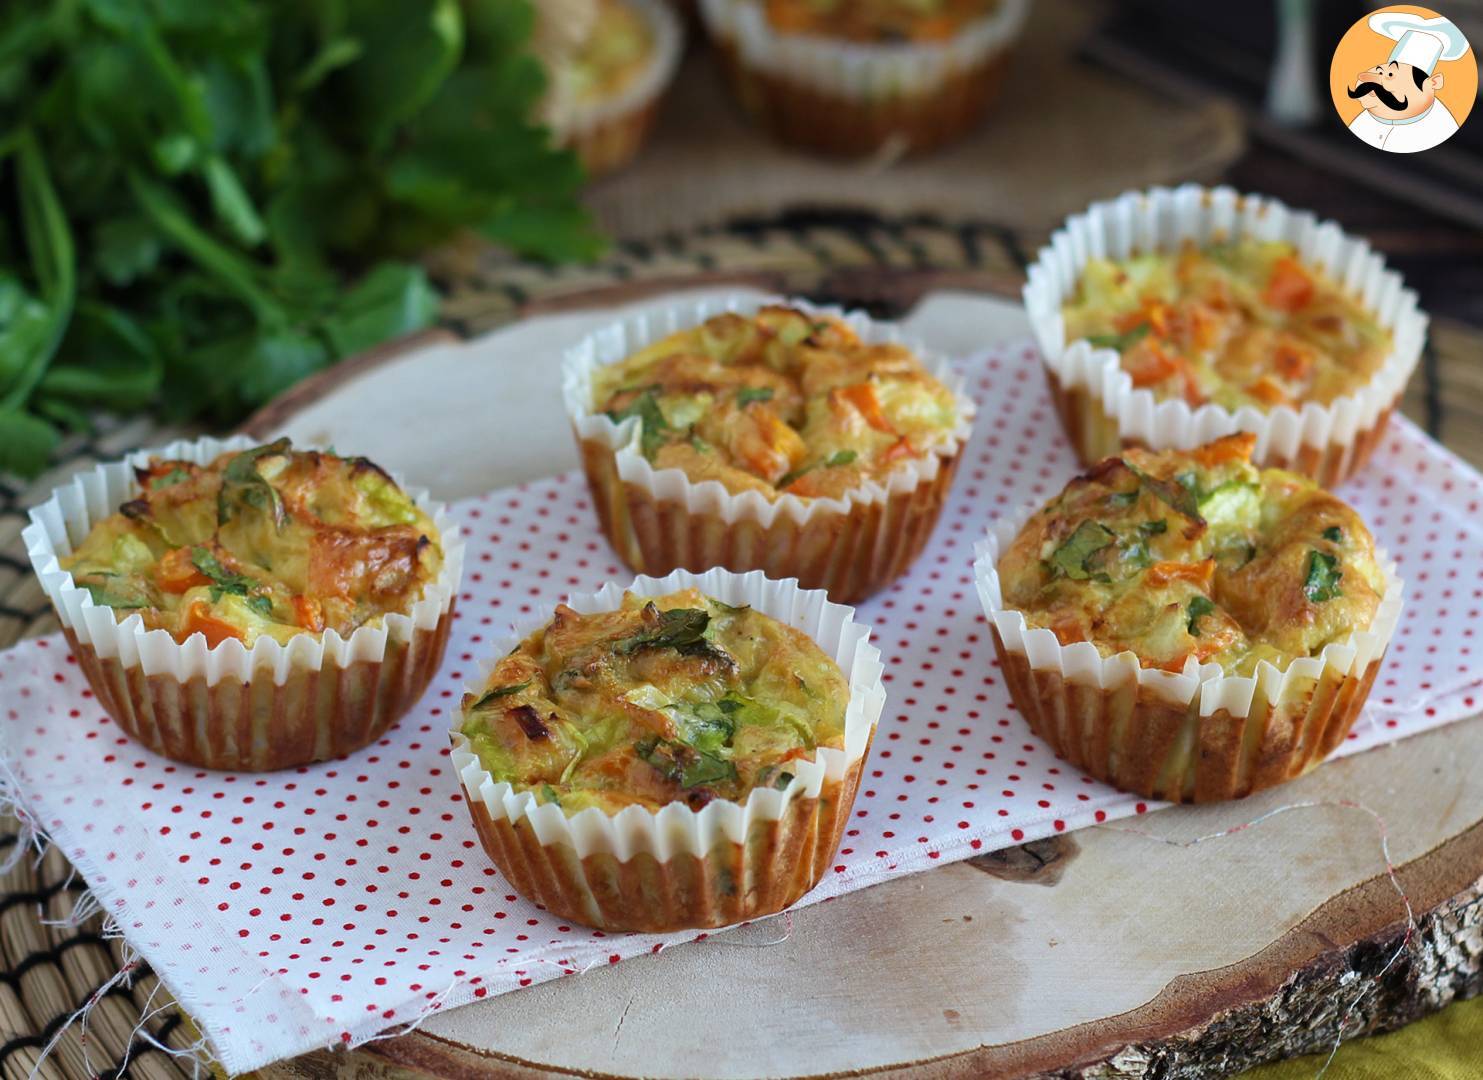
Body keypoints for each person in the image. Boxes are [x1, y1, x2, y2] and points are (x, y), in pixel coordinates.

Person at [1347, 12, 1470, 153]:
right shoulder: (1361, 118)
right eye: (1379, 71)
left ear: (1433, 83)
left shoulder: (1442, 129)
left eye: (1391, 75)